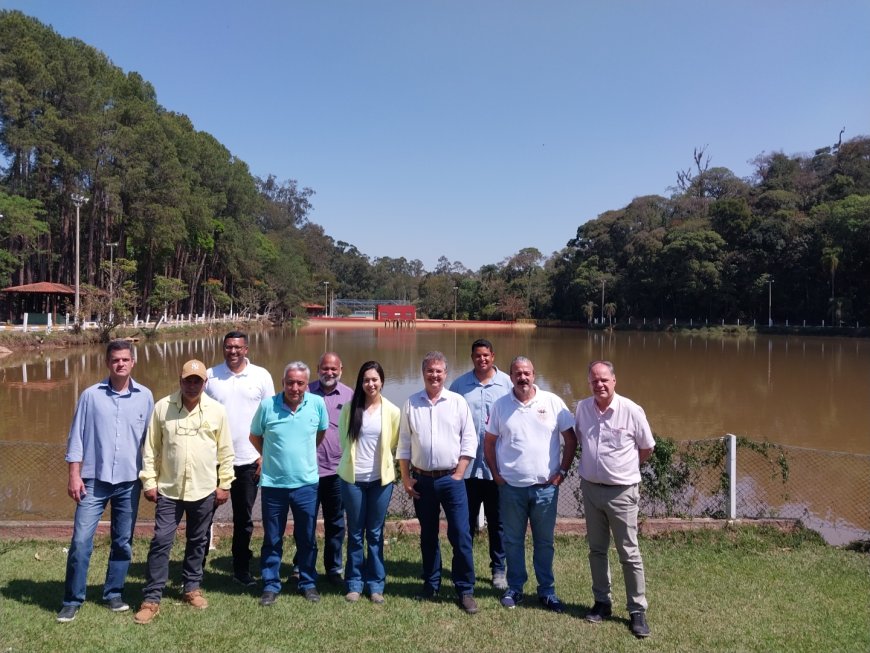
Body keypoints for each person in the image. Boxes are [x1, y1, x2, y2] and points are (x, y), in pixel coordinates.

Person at [57, 340, 154, 623]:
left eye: (125, 359)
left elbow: (151, 442)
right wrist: (74, 474)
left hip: (129, 480)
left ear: (133, 362)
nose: (120, 364)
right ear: (108, 363)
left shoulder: (145, 396)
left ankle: (113, 593)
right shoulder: (90, 395)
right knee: (81, 541)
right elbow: (76, 436)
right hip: (94, 480)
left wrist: (151, 478)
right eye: (115, 360)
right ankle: (72, 599)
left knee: (122, 541)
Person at [133, 359, 234, 625]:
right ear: (180, 380)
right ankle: (152, 597)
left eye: (197, 381)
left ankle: (191, 588)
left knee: (198, 541)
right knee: (161, 541)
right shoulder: (162, 407)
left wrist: (225, 484)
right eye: (188, 380)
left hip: (203, 489)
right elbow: (151, 449)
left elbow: (225, 451)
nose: (192, 385)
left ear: (205, 383)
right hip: (169, 489)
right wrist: (149, 481)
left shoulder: (217, 411)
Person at [484, 356, 577, 613]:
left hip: (545, 487)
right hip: (511, 487)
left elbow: (570, 439)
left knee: (544, 542)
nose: (522, 378)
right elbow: (489, 443)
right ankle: (515, 588)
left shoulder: (553, 402)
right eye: (517, 373)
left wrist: (562, 471)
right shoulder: (501, 405)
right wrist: (496, 474)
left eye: (526, 373)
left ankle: (547, 591)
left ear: (534, 374)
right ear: (510, 376)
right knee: (513, 540)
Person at [574, 360, 655, 638]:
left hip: (622, 491)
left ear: (614, 381)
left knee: (628, 553)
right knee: (596, 550)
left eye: (604, 380)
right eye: (594, 380)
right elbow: (580, 440)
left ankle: (636, 610)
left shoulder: (631, 410)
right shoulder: (583, 409)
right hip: (591, 489)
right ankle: (602, 602)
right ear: (589, 383)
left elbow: (646, 448)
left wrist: (624, 470)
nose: (600, 385)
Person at [397, 351, 479, 614]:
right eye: (430, 371)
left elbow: (470, 440)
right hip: (423, 481)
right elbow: (405, 444)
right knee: (428, 535)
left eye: (439, 371)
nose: (434, 375)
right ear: (423, 373)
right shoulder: (411, 403)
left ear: (446, 374)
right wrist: (407, 477)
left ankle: (464, 589)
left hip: (452, 480)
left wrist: (460, 473)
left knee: (461, 535)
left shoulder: (457, 402)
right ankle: (431, 585)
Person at [250, 361, 328, 607]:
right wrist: (272, 457)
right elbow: (254, 436)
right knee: (273, 538)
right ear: (282, 383)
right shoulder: (267, 406)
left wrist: (303, 455)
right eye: (290, 382)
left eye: (300, 383)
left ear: (307, 384)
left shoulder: (317, 403)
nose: (295, 388)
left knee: (306, 537)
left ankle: (307, 582)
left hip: (306, 484)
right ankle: (271, 584)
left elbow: (320, 433)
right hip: (274, 485)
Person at [205, 331, 274, 586]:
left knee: (243, 519)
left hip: (248, 461)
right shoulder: (210, 376)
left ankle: (241, 569)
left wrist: (264, 455)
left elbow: (270, 419)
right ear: (223, 349)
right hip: (214, 461)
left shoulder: (261, 376)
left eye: (237, 347)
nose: (233, 351)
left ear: (246, 349)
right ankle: (195, 571)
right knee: (203, 517)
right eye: (228, 347)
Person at [449, 338, 512, 590]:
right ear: (472, 357)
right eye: (477, 355)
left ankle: (499, 570)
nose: (482, 359)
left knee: (498, 523)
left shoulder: (507, 383)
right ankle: (465, 569)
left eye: (486, 355)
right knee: (465, 522)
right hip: (467, 469)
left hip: (497, 468)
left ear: (493, 356)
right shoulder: (460, 385)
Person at [337, 361, 400, 604]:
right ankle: (354, 583)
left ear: (382, 381)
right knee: (354, 533)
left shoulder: (392, 411)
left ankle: (375, 584)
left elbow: (392, 443)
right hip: (353, 480)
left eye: (374, 379)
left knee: (374, 533)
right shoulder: (350, 408)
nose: (370, 384)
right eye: (366, 380)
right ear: (360, 382)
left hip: (379, 482)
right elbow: (345, 440)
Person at [296, 352, 352, 584]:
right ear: (317, 368)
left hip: (337, 472)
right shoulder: (303, 392)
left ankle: (333, 568)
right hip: (307, 471)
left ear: (341, 370)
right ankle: (301, 566)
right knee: (305, 521)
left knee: (336, 523)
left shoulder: (350, 395)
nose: (329, 373)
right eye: (325, 368)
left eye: (333, 369)